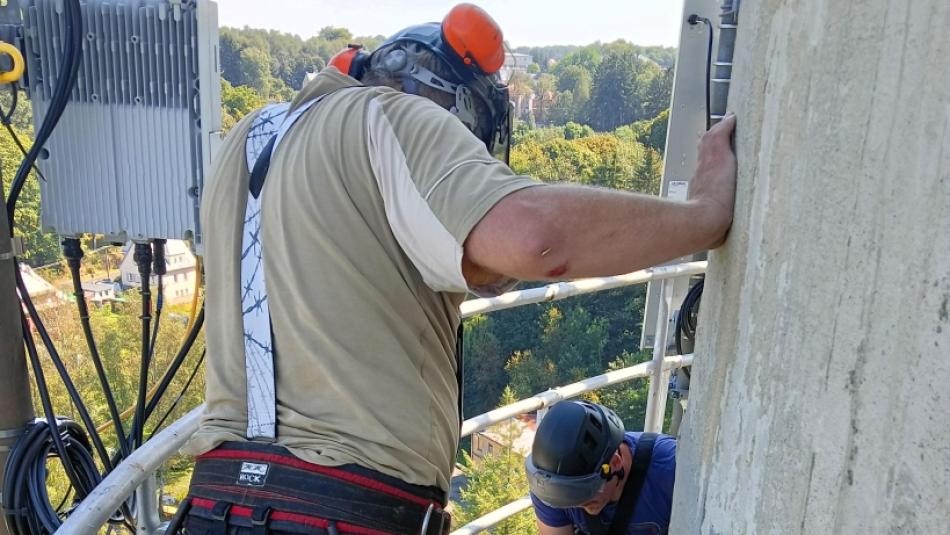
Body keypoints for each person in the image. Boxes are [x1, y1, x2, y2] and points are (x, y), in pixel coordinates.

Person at [173, 2, 737, 533]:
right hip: (346, 508)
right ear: (456, 109)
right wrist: (705, 217)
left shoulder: (245, 139)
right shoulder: (392, 117)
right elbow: (535, 240)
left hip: (214, 501)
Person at [526, 401, 677, 535]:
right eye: (569, 497)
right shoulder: (550, 489)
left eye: (584, 493)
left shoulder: (670, 469)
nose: (581, 504)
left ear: (615, 463)